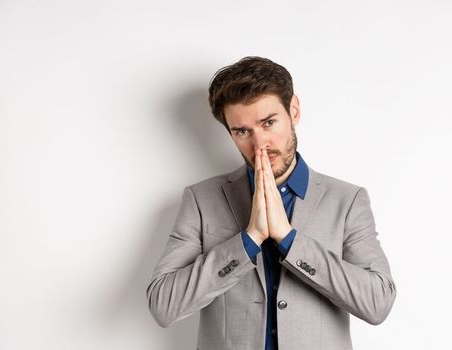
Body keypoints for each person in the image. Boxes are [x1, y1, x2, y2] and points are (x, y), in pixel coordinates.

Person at [147, 56, 396, 350]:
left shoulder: (347, 200)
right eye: (242, 131)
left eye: (268, 122)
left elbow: (378, 303)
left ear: (294, 110)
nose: (259, 143)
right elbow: (163, 304)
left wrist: (289, 239)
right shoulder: (201, 200)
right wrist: (248, 240)